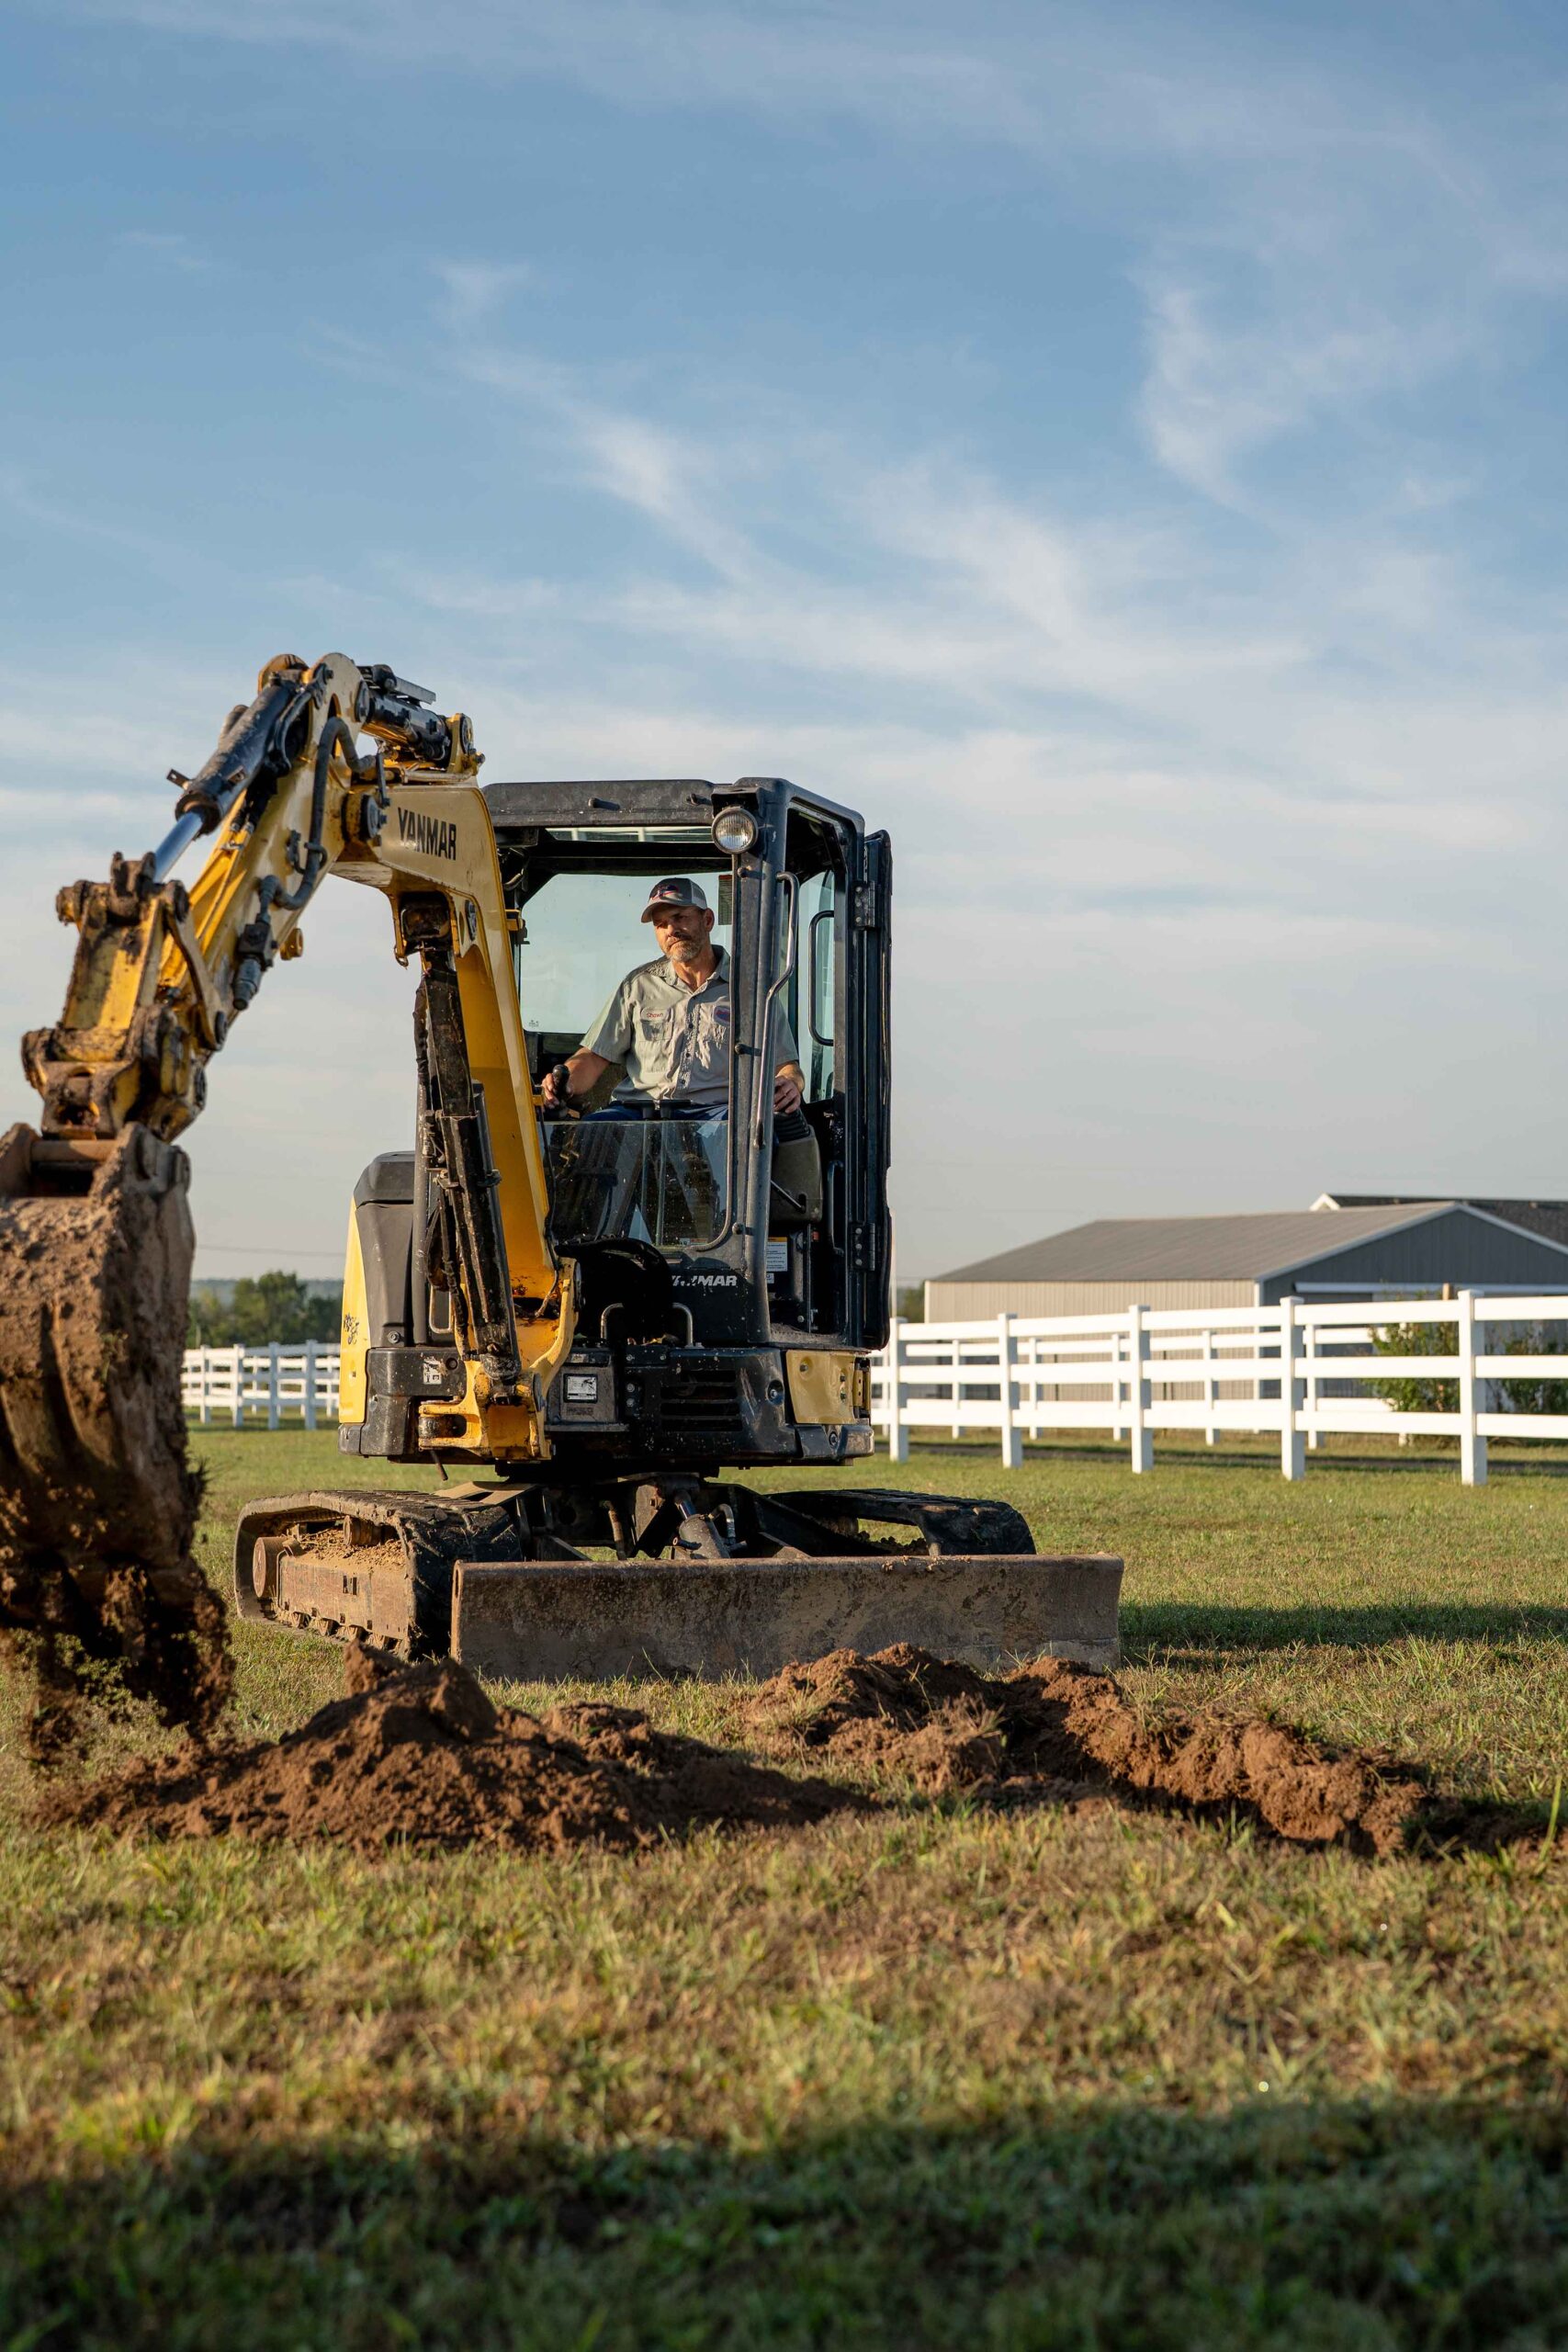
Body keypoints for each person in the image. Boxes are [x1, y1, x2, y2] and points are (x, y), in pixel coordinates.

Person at [541, 876, 805, 1116]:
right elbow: (593, 1057)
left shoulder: (750, 991)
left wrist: (791, 1083)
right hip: (639, 1112)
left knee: (743, 1139)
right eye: (661, 924)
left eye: (680, 917)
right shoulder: (638, 986)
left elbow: (786, 1066)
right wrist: (565, 1083)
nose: (671, 930)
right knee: (593, 1136)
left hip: (717, 1115)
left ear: (708, 920)